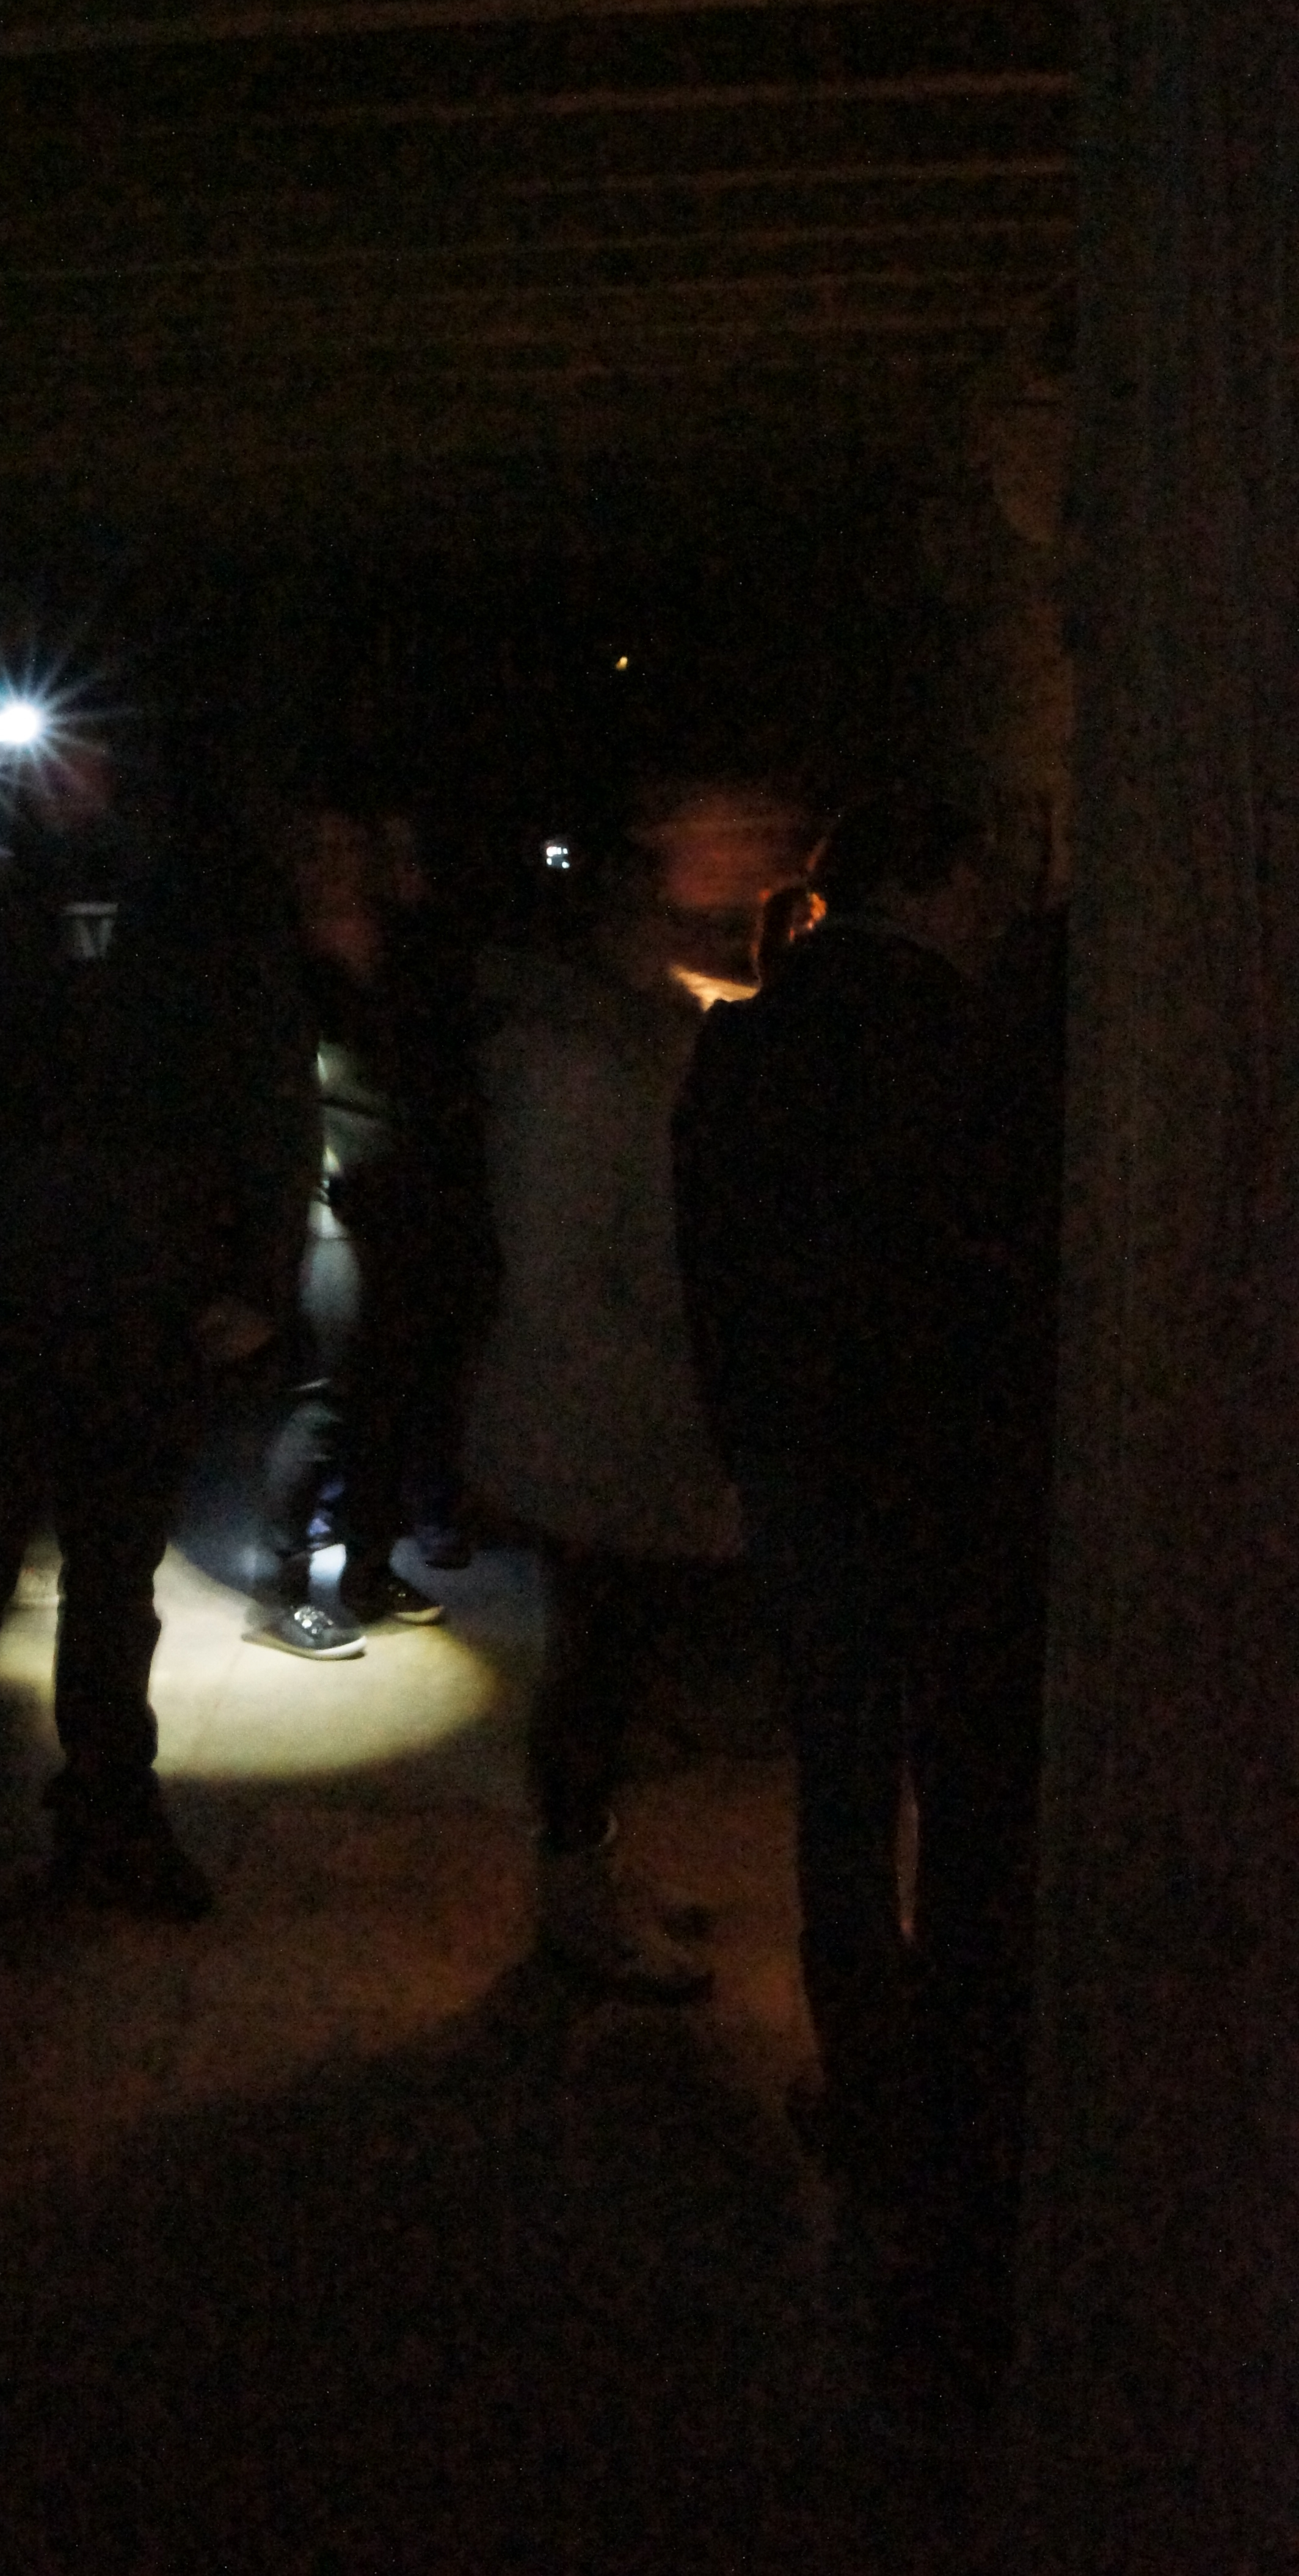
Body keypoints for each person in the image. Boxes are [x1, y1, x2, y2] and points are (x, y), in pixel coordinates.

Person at [672, 790, 1013, 2349]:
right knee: (969, 1782)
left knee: (844, 1778)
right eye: (987, 870)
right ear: (935, 880)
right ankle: (959, 2089)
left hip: (807, 1462)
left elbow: (714, 1258)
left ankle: (868, 2075)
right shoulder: (980, 1045)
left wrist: (745, 1436)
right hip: (954, 1474)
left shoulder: (755, 1037)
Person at [0, 706, 318, 1914]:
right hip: (2, 1290)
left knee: (113, 1572)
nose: (57, 773)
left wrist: (259, 1273)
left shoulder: (202, 893)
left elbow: (267, 1084)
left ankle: (107, 1811)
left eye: (79, 745)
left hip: (143, 1289)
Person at [464, 826, 741, 1999]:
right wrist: (680, 1382)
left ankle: (599, 1872)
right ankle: (578, 1902)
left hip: (633, 1411)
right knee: (597, 1672)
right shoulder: (572, 1066)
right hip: (592, 1421)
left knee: (617, 1669)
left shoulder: (641, 1040)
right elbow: (562, 1277)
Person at [253, 796, 497, 1658]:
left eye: (344, 845)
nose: (331, 864)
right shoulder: (279, 963)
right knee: (328, 1397)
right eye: (314, 848)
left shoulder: (406, 951)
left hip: (408, 1201)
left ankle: (367, 1568)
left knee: (395, 1393)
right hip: (328, 1201)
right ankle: (284, 1588)